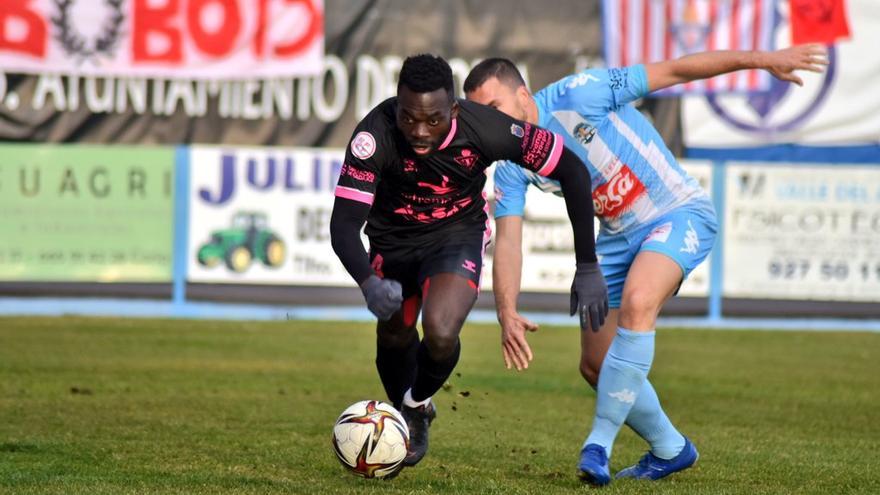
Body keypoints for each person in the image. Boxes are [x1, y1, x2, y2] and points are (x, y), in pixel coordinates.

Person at [463, 44, 827, 484]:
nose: (493, 123)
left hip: (676, 212)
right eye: (481, 115)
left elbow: (674, 67)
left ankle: (597, 445)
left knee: (638, 303)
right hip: (616, 238)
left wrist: (763, 60)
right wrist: (507, 310)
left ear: (524, 95)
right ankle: (671, 448)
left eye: (496, 108)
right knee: (595, 365)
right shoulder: (510, 164)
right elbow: (508, 241)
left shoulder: (582, 93)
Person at [329, 53, 609, 467]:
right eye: (409, 118)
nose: (420, 132)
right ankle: (410, 412)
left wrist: (587, 264)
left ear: (454, 110)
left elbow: (572, 170)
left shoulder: (487, 128)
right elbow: (343, 225)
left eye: (433, 120)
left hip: (455, 236)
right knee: (394, 334)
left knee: (441, 331)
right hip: (392, 241)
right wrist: (368, 282)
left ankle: (415, 406)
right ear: (397, 105)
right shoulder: (373, 136)